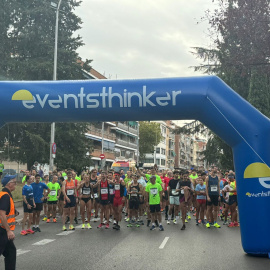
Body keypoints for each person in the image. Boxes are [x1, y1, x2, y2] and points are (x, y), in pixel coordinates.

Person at [0, 174, 18, 270]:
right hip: (2, 230)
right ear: (9, 184)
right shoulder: (6, 196)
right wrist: (8, 230)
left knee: (11, 252)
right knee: (11, 253)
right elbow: (1, 214)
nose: (15, 184)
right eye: (14, 182)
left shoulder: (4, 194)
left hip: (3, 230)